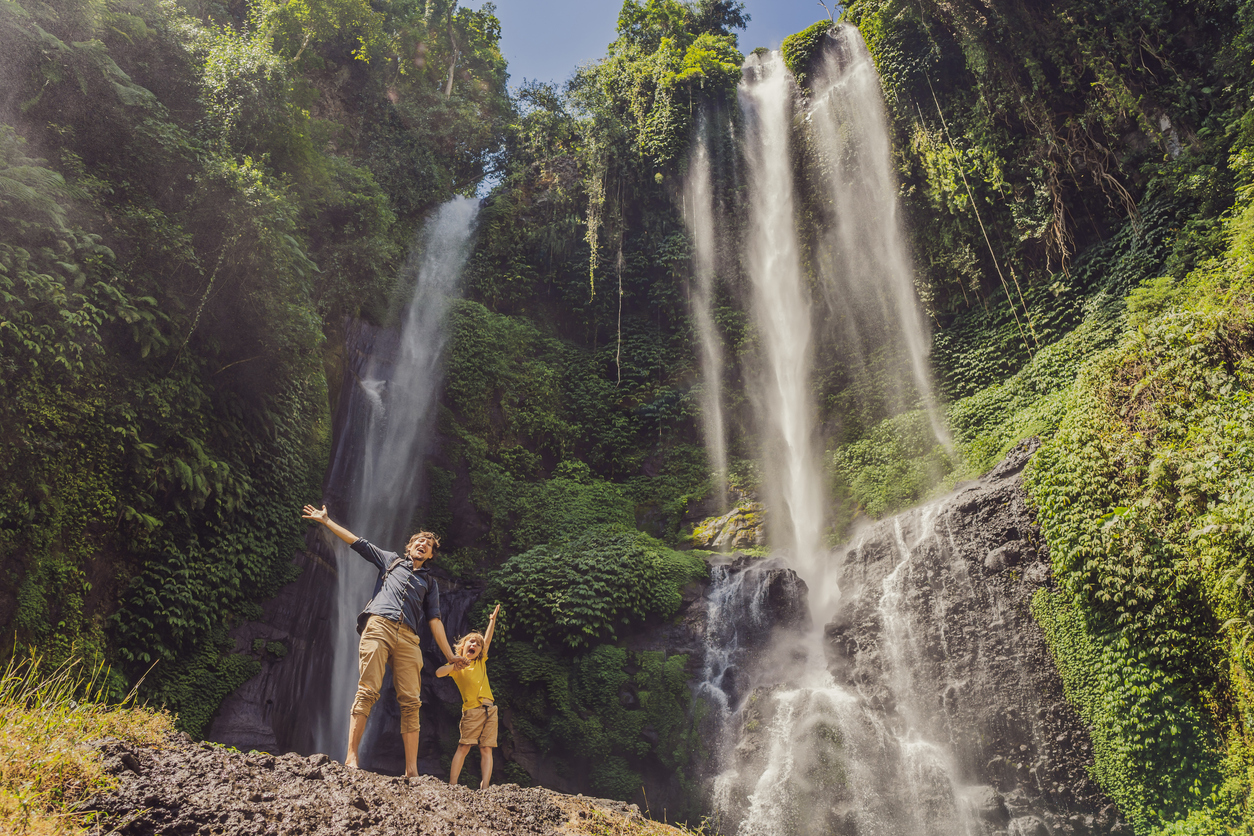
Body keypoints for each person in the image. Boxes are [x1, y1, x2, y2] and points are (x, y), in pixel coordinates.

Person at [301, 504, 466, 778]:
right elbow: (358, 542)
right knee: (368, 689)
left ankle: (411, 771)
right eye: (418, 541)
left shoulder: (430, 584)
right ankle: (351, 757)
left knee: (411, 701)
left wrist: (450, 656)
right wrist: (327, 521)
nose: (422, 544)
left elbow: (435, 621)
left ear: (431, 555)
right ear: (409, 547)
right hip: (379, 624)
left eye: (428, 545)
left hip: (409, 638)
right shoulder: (391, 561)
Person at [437, 602, 501, 789]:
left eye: (478, 644)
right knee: (464, 746)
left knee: (487, 748)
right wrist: (454, 665)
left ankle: (485, 786)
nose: (475, 644)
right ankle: (453, 784)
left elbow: (487, 640)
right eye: (471, 642)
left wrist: (492, 620)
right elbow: (439, 673)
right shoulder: (458, 668)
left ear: (480, 651)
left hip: (491, 710)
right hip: (472, 711)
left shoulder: (481, 662)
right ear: (463, 646)